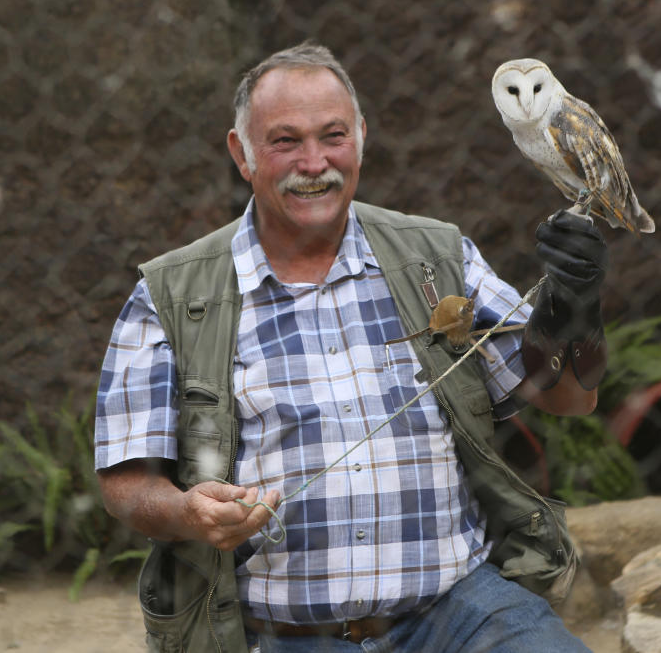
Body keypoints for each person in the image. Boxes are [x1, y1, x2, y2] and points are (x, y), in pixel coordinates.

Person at [95, 42, 608, 653]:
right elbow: (126, 483)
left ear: (362, 137)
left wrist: (575, 314)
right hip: (284, 632)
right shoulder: (173, 296)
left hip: (457, 610)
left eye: (333, 136)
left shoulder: (438, 257)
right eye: (285, 141)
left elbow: (570, 400)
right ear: (242, 153)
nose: (314, 162)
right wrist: (188, 513)